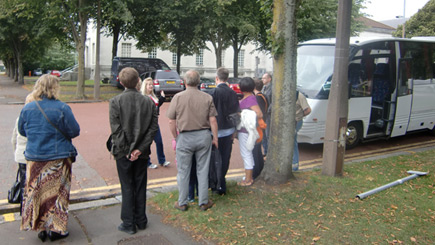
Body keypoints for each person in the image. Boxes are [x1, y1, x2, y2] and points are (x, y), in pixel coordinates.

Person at [18, 74, 80, 242]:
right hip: (58, 158)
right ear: (55, 88)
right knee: (59, 194)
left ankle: (41, 227)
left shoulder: (28, 108)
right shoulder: (62, 108)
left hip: (35, 157)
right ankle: (57, 229)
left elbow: (22, 131)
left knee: (38, 194)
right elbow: (74, 131)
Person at [109, 67, 158, 234]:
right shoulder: (149, 102)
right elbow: (153, 129)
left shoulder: (115, 101)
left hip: (123, 152)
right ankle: (141, 220)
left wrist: (128, 150)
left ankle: (128, 223)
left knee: (127, 186)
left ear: (121, 82)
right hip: (141, 152)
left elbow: (116, 130)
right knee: (140, 184)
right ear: (138, 81)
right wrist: (139, 149)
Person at [167, 70, 218, 212]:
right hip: (203, 136)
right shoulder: (207, 97)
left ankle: (182, 202)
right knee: (203, 169)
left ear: (185, 81)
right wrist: (215, 137)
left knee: (183, 171)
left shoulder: (177, 97)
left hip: (184, 136)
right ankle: (203, 201)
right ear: (199, 82)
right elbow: (212, 120)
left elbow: (171, 121)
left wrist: (175, 137)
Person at [208, 67, 240, 195]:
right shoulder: (233, 93)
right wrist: (235, 130)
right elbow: (236, 113)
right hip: (228, 130)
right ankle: (222, 183)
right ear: (227, 78)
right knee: (225, 158)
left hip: (215, 131)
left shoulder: (213, 93)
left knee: (214, 158)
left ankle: (215, 184)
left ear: (217, 78)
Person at [11, 93, 35, 215]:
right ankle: (31, 210)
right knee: (32, 184)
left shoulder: (19, 119)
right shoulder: (35, 119)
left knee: (23, 183)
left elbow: (14, 139)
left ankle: (23, 210)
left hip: (21, 155)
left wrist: (15, 151)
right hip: (32, 154)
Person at [238, 77, 263, 186]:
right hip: (245, 131)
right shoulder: (249, 98)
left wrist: (243, 114)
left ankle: (248, 180)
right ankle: (249, 176)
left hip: (246, 131)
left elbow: (259, 113)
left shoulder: (250, 99)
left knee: (246, 154)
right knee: (247, 154)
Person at [141, 77, 171, 169]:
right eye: (149, 85)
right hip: (146, 124)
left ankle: (162, 160)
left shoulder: (153, 96)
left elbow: (156, 106)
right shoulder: (143, 97)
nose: (151, 86)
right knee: (147, 144)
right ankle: (147, 162)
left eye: (151, 85)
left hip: (154, 123)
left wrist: (162, 98)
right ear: (145, 86)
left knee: (159, 142)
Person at [253, 78, 268, 179]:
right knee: (258, 149)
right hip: (262, 122)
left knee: (256, 150)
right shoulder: (263, 95)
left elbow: (258, 112)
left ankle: (256, 171)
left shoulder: (257, 97)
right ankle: (260, 168)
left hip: (258, 124)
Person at [293, 91, 311, 171]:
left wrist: (299, 116)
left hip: (296, 122)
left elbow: (308, 110)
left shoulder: (299, 95)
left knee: (292, 143)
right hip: (290, 122)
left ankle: (295, 165)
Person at [261, 72, 273, 157]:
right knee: (263, 135)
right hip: (263, 115)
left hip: (268, 115)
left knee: (268, 134)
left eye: (264, 78)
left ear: (269, 79)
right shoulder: (263, 88)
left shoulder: (272, 89)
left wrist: (267, 110)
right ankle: (265, 152)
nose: (262, 80)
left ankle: (269, 153)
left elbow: (273, 102)